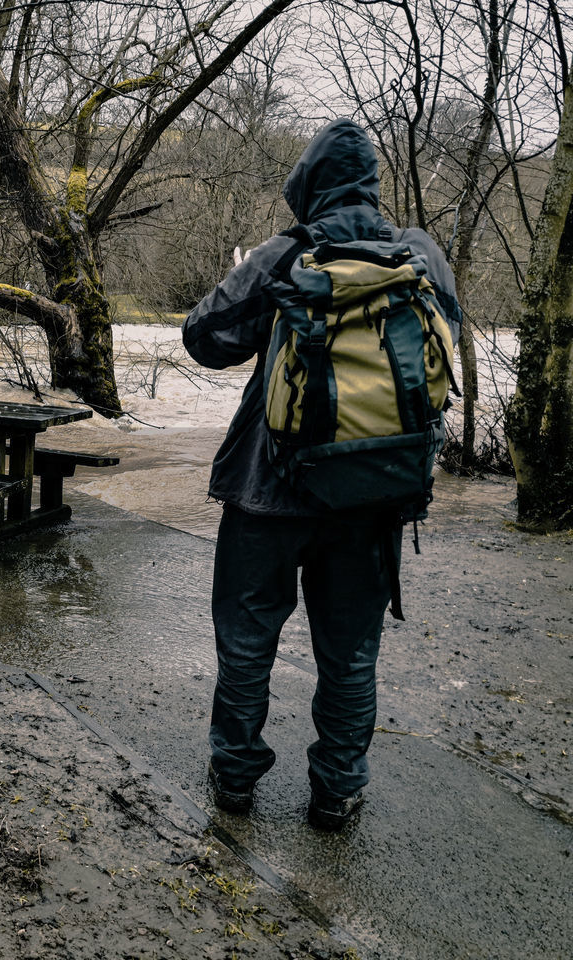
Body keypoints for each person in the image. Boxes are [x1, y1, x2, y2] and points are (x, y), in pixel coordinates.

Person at [181, 118, 462, 830]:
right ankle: (336, 792)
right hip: (375, 493)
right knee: (350, 655)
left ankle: (236, 782)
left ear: (307, 187)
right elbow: (444, 345)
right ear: (371, 183)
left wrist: (263, 290)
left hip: (266, 491)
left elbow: (203, 339)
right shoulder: (419, 255)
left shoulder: (288, 253)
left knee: (247, 644)